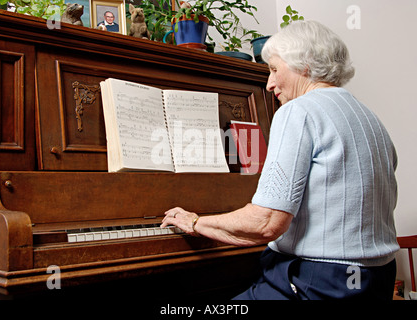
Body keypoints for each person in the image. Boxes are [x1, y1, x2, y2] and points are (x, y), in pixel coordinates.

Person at [161, 21, 399, 300]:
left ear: (305, 65)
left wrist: (195, 222)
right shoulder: (370, 117)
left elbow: (266, 223)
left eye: (274, 69)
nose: (269, 83)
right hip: (375, 279)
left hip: (319, 281)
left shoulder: (299, 110)